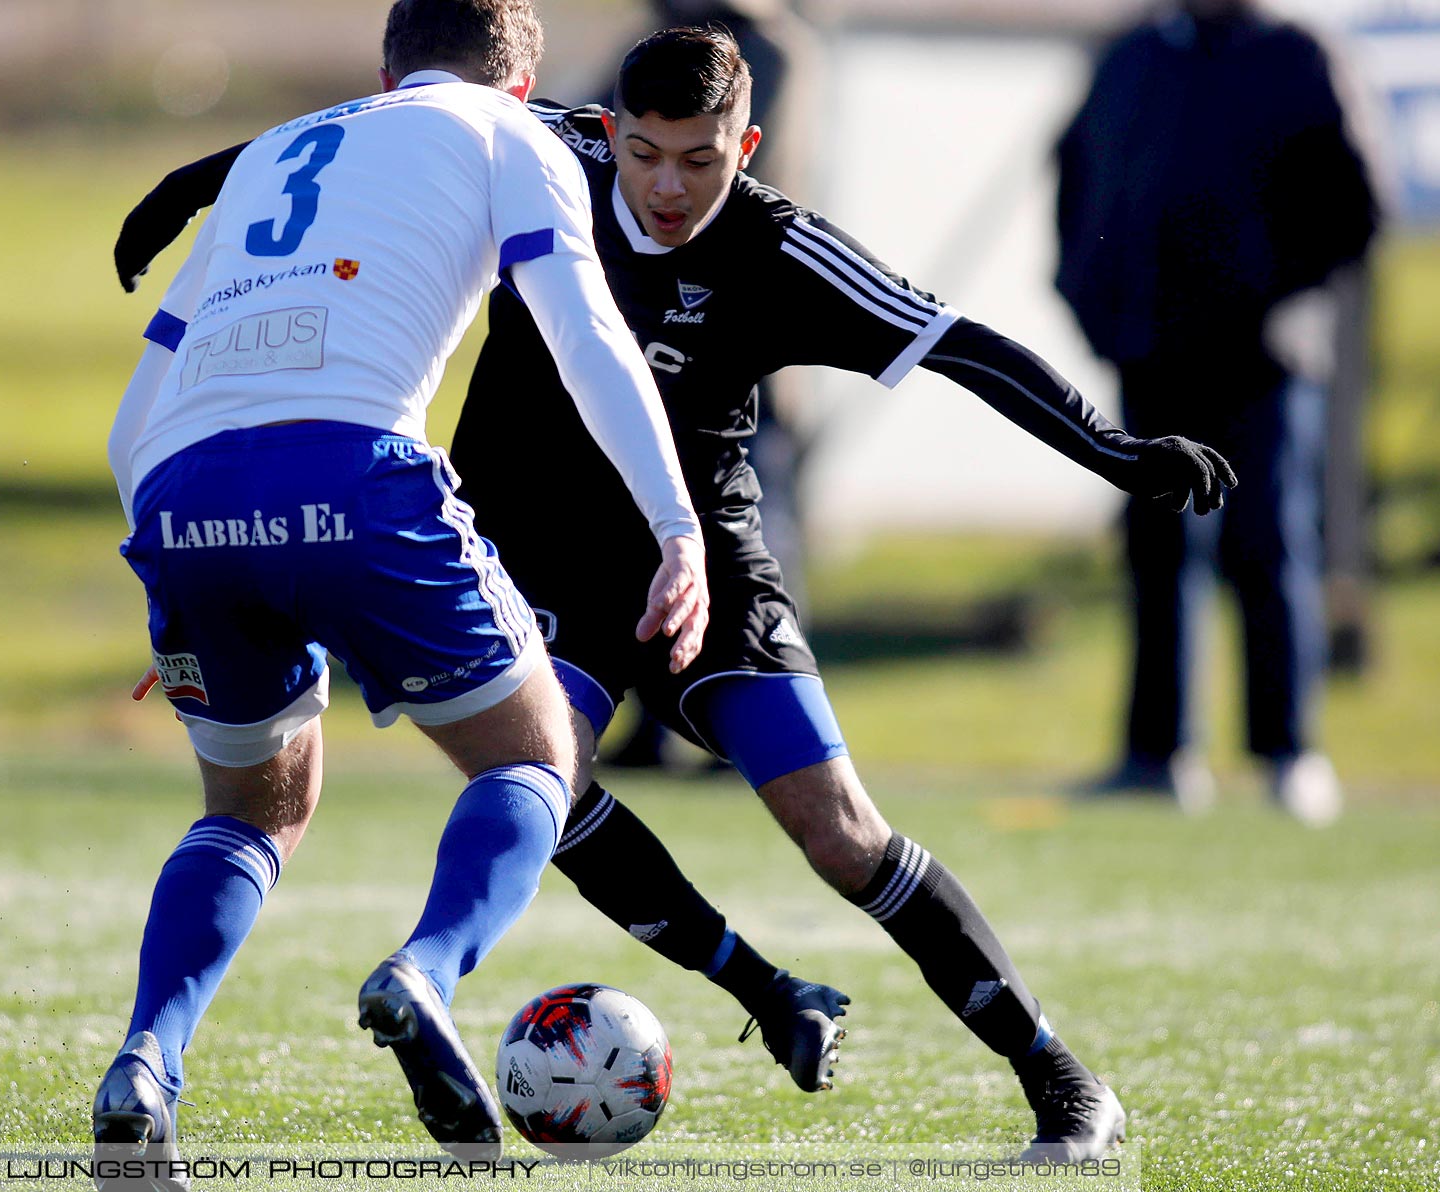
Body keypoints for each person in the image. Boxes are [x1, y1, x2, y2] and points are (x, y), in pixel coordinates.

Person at [117, 26, 1238, 1163]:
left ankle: (1057, 1074)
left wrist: (1114, 447)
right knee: (545, 773)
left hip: (703, 561)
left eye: (698, 160)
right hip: (536, 561)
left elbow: (956, 343)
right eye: (643, 152)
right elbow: (369, 143)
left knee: (840, 832)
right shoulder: (547, 148)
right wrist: (188, 187)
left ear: (743, 148)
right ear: (610, 131)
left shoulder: (783, 248)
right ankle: (594, 978)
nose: (663, 185)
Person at [93, 0, 712, 1176]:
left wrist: (184, 572)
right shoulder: (508, 137)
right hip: (355, 476)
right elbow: (584, 330)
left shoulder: (275, 150)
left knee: (251, 809)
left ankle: (144, 1061)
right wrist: (676, 524)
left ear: (384, 71)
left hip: (180, 497)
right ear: (520, 84)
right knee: (534, 754)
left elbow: (136, 422)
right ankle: (424, 970)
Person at [1056, 0, 1381, 824]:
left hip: (1261, 359)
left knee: (1268, 543)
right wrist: (1090, 301)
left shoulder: (1299, 55)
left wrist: (1287, 304)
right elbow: (1074, 176)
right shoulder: (1133, 55)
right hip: (1151, 348)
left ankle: (1289, 753)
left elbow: (1357, 204)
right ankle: (1156, 753)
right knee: (1157, 551)